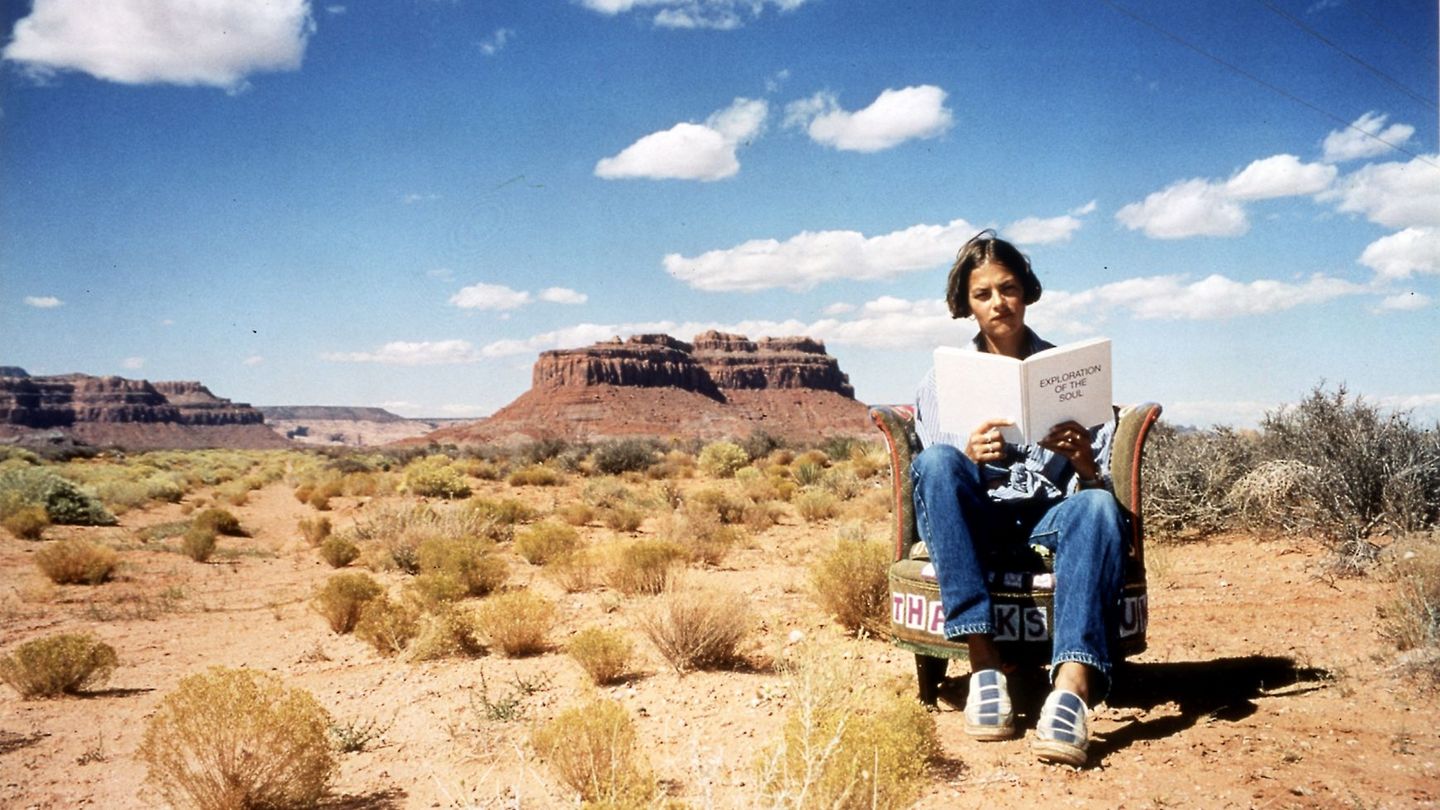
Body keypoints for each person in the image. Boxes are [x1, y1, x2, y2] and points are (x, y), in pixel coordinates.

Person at [910, 230, 1126, 767]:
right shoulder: (942, 382)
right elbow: (941, 484)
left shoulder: (1070, 372)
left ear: (1025, 291)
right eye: (983, 294)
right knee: (937, 461)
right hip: (981, 516)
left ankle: (1071, 690)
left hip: (1046, 516)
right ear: (967, 303)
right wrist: (970, 454)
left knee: (1099, 506)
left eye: (1007, 289)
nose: (998, 303)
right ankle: (985, 665)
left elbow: (1092, 489)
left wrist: (1082, 461)